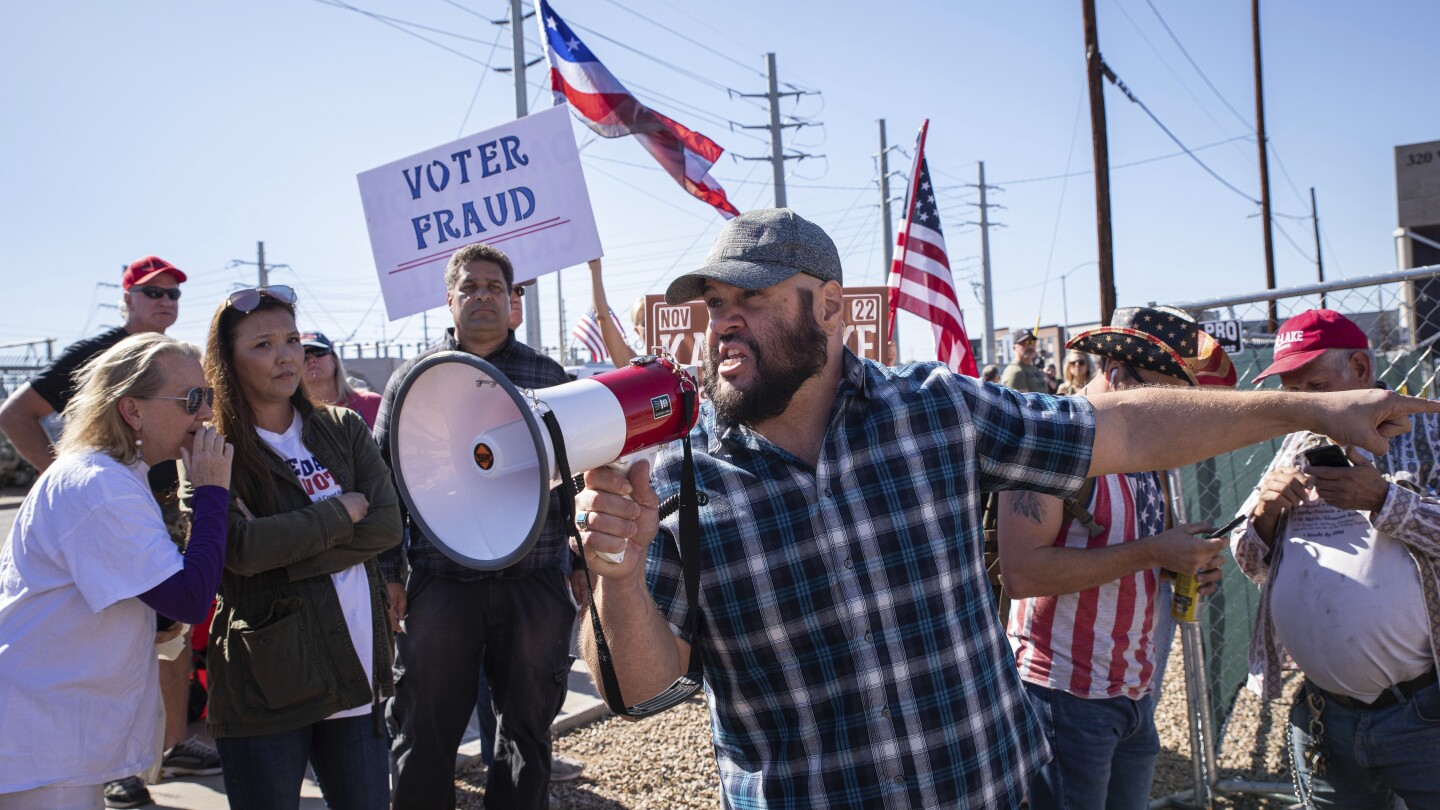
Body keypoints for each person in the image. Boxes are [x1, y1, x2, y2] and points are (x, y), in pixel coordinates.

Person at [571, 208, 1440, 808]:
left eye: (752, 299)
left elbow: (1119, 432)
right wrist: (614, 576)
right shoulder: (683, 477)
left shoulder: (936, 411)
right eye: (715, 304)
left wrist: (1303, 409)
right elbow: (640, 684)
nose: (724, 323)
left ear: (829, 308)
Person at [0, 256, 219, 809]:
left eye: (208, 397)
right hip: (44, 741)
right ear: (132, 411)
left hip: (57, 731)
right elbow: (190, 600)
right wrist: (212, 490)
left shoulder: (114, 476)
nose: (205, 414)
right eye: (191, 400)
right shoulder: (99, 486)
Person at [999, 307, 1237, 809]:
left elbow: (1132, 549)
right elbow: (1022, 573)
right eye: (1162, 399)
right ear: (1117, 374)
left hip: (1133, 692)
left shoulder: (1147, 450)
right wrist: (1153, 550)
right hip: (1063, 698)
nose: (1172, 417)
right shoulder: (1049, 439)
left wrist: (1177, 564)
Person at [378, 244, 579, 810]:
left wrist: (582, 564)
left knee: (528, 730)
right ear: (449, 299)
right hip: (443, 583)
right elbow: (385, 488)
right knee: (424, 730)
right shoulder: (413, 381)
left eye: (495, 287)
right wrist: (390, 574)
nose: (483, 296)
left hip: (534, 579)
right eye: (470, 287)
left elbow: (576, 478)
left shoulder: (547, 374)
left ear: (513, 301)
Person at [200, 286, 401, 810]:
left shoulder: (342, 427)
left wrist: (281, 548)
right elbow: (237, 552)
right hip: (267, 687)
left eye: (291, 339)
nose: (287, 355)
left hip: (357, 671)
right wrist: (339, 513)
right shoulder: (210, 447)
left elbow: (385, 527)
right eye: (263, 344)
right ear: (227, 360)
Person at [1230, 309, 1440, 808]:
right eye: (1292, 393)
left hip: (1422, 713)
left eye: (1315, 386)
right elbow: (1252, 560)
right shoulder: (1297, 442)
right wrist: (1263, 516)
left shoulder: (1429, 435)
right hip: (1326, 714)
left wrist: (1387, 501)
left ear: (1361, 371)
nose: (1303, 405)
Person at [300, 331, 382, 429]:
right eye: (304, 355)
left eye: (318, 352)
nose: (311, 360)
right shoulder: (291, 415)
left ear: (334, 360)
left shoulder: (371, 403)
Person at [587, 257, 644, 367]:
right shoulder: (636, 365)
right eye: (645, 324)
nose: (653, 327)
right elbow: (603, 317)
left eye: (658, 319)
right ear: (637, 331)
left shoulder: (685, 357)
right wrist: (595, 267)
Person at [1001, 328, 1048, 392]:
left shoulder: (1034, 368)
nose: (1030, 346)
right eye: (1024, 342)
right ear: (1014, 348)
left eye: (1032, 342)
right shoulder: (1015, 372)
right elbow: (1021, 401)